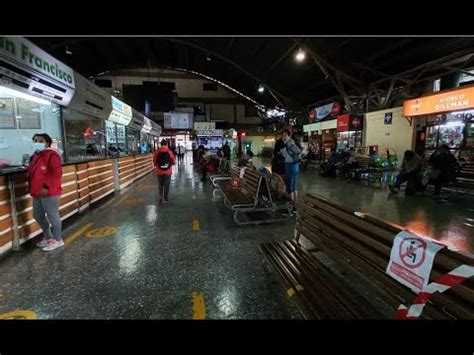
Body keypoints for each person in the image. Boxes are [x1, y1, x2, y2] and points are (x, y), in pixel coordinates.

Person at [29, 133, 64, 252]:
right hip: (37, 191)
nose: (36, 142)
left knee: (53, 216)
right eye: (35, 140)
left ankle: (58, 240)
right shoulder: (36, 155)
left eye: (40, 140)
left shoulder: (52, 155)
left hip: (50, 191)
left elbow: (56, 173)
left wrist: (45, 186)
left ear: (47, 143)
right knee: (37, 215)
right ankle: (49, 237)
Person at [280, 129, 301, 214]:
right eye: (282, 135)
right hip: (295, 166)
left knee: (290, 188)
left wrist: (283, 152)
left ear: (289, 136)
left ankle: (290, 208)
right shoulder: (291, 142)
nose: (283, 137)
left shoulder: (289, 143)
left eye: (285, 135)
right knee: (294, 188)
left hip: (290, 166)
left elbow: (297, 151)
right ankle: (295, 207)